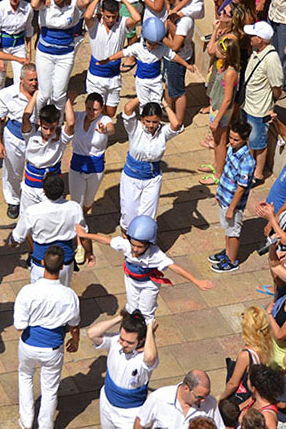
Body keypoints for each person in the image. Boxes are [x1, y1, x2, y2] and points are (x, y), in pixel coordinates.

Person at [80, 216, 212, 321]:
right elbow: (106, 240)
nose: (135, 249)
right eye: (134, 245)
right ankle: (130, 333)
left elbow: (174, 267)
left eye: (140, 247)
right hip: (131, 279)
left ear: (149, 244)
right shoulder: (126, 245)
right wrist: (85, 235)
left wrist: (196, 281)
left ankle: (147, 334)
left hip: (149, 284)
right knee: (131, 308)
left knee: (146, 313)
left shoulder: (155, 254)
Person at [13, 245, 80, 429]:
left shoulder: (27, 291)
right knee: (50, 389)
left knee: (25, 377)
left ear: (42, 263)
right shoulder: (69, 296)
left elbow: (19, 325)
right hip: (53, 347)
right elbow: (74, 325)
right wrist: (75, 341)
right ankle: (45, 425)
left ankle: (26, 421)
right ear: (62, 267)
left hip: (29, 344)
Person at [9, 172, 91, 286]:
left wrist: (12, 243)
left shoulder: (32, 211)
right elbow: (84, 235)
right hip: (65, 263)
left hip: (40, 264)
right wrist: (89, 252)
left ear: (44, 190)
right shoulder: (74, 208)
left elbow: (18, 236)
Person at [87, 310, 159, 429]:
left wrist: (150, 329)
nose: (124, 344)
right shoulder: (115, 341)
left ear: (141, 341)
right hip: (107, 402)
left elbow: (150, 357)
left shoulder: (145, 358)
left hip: (129, 413)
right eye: (122, 339)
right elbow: (92, 333)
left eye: (130, 342)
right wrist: (120, 318)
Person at [119, 98, 183, 230]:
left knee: (147, 215)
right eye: (147, 121)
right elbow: (127, 109)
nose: (151, 125)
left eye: (155, 122)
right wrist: (141, 96)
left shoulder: (163, 132)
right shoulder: (134, 128)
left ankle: (143, 240)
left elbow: (176, 124)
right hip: (132, 177)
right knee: (129, 213)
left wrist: (164, 103)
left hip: (152, 179)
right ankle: (127, 238)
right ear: (142, 119)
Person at [29, 0, 90, 111]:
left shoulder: (73, 1)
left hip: (65, 54)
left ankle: (58, 120)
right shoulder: (46, 1)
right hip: (45, 53)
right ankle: (37, 118)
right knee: (44, 94)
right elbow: (34, 4)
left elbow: (86, 1)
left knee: (59, 94)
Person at [0, 65, 38, 219]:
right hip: (14, 137)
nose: (34, 83)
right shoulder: (7, 94)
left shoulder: (43, 92)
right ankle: (13, 200)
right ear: (21, 79)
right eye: (30, 80)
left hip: (37, 136)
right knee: (13, 170)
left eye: (36, 79)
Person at [19, 93, 75, 217]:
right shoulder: (31, 135)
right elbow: (25, 118)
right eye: (45, 128)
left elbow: (71, 123)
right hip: (31, 185)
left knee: (51, 218)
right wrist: (36, 95)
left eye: (52, 128)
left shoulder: (60, 138)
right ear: (40, 122)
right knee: (26, 216)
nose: (49, 132)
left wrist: (64, 96)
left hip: (51, 185)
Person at [241, 22, 284, 184]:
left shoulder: (271, 58)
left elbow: (277, 87)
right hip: (249, 105)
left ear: (260, 39)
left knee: (258, 142)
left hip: (260, 109)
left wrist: (270, 103)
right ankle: (249, 167)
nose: (250, 38)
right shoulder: (257, 51)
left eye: (253, 36)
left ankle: (257, 174)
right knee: (250, 140)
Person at [210, 121, 256, 273]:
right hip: (224, 196)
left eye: (236, 139)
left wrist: (231, 208)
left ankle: (231, 260)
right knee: (228, 229)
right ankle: (227, 251)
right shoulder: (232, 150)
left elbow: (241, 188)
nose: (231, 141)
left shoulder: (247, 161)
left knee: (233, 232)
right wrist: (219, 193)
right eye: (230, 137)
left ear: (245, 139)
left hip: (233, 203)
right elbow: (226, 172)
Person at [85, 0, 141, 117]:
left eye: (114, 17)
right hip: (96, 77)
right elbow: (87, 16)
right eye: (107, 16)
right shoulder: (95, 24)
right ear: (102, 12)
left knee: (110, 113)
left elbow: (137, 18)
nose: (111, 20)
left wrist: (124, 1)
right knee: (95, 113)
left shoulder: (122, 24)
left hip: (114, 77)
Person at [200, 35, 241, 185]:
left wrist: (217, 120)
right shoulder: (221, 65)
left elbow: (228, 99)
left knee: (220, 142)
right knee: (216, 140)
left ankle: (218, 174)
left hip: (222, 112)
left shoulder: (230, 73)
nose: (215, 51)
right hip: (216, 107)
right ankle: (216, 165)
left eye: (219, 49)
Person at [69, 94, 115, 215]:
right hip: (77, 164)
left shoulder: (105, 120)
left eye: (95, 109)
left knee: (88, 201)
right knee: (76, 201)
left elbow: (111, 129)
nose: (91, 112)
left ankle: (81, 217)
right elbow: (65, 117)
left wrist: (105, 130)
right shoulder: (78, 116)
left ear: (101, 108)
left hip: (96, 166)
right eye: (88, 108)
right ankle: (77, 224)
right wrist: (69, 101)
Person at [135, 369, 226, 429]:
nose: (204, 400)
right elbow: (140, 422)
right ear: (186, 388)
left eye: (206, 396)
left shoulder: (210, 403)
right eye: (199, 397)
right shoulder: (159, 397)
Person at [219, 307, 273, 405]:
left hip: (241, 398)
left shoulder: (245, 355)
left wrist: (221, 398)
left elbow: (233, 384)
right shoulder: (265, 344)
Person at [0, 0, 34, 86]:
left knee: (20, 76)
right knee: (1, 76)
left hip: (19, 45)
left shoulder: (28, 8)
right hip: (3, 46)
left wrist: (29, 52)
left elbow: (28, 29)